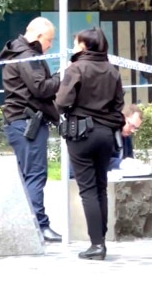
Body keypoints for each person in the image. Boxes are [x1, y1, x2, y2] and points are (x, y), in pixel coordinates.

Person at [56, 27, 124, 261]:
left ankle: (97, 244)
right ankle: (100, 240)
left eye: (76, 43)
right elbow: (118, 106)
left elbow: (62, 102)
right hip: (106, 134)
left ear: (84, 46)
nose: (74, 47)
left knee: (87, 190)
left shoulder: (75, 69)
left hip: (81, 133)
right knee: (100, 187)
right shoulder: (112, 71)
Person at [0, 17, 62, 242]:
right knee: (35, 175)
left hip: (20, 122)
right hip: (27, 123)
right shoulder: (27, 56)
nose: (50, 46)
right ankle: (38, 227)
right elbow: (41, 88)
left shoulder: (18, 53)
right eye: (49, 40)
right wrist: (62, 76)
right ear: (37, 36)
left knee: (29, 175)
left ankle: (30, 226)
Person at [109, 103, 143, 171]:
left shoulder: (127, 138)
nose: (133, 131)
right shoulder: (106, 134)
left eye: (136, 128)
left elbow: (129, 158)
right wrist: (121, 163)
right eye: (132, 125)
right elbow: (100, 161)